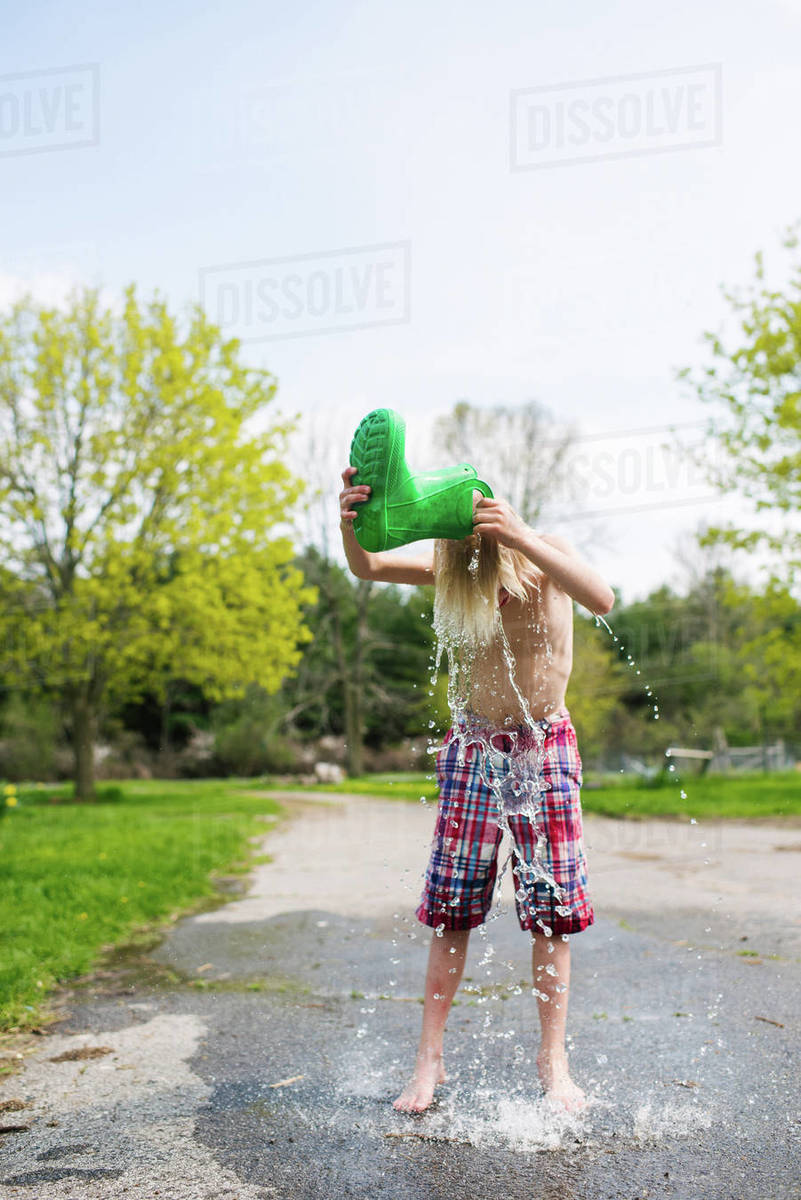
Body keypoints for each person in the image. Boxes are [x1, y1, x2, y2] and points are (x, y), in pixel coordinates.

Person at [338, 465, 615, 1114]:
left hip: (542, 747)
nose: (466, 556)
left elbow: (601, 599)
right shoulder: (455, 575)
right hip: (472, 749)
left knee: (551, 912)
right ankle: (428, 1059)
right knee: (452, 909)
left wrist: (519, 535)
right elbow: (368, 568)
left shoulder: (544, 559)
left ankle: (553, 1062)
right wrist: (349, 522)